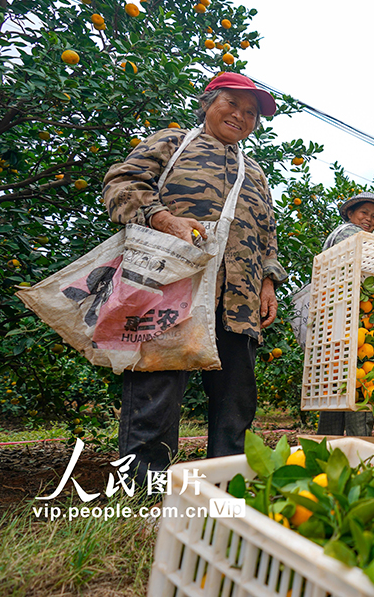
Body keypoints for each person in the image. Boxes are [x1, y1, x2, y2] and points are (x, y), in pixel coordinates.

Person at [103, 72, 287, 486]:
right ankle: (142, 490)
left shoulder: (253, 171)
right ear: (207, 104)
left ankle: (225, 487)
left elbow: (266, 233)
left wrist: (268, 281)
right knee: (157, 393)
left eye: (251, 113)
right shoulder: (173, 142)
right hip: (171, 292)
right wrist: (163, 218)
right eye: (232, 105)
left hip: (237, 302)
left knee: (235, 401)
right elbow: (121, 183)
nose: (241, 117)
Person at [315, 191, 374, 437]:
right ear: (350, 213)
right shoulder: (349, 233)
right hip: (349, 320)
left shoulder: (340, 234)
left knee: (335, 388)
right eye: (364, 213)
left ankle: (328, 447)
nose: (369, 219)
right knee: (358, 382)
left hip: (334, 321)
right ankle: (359, 450)